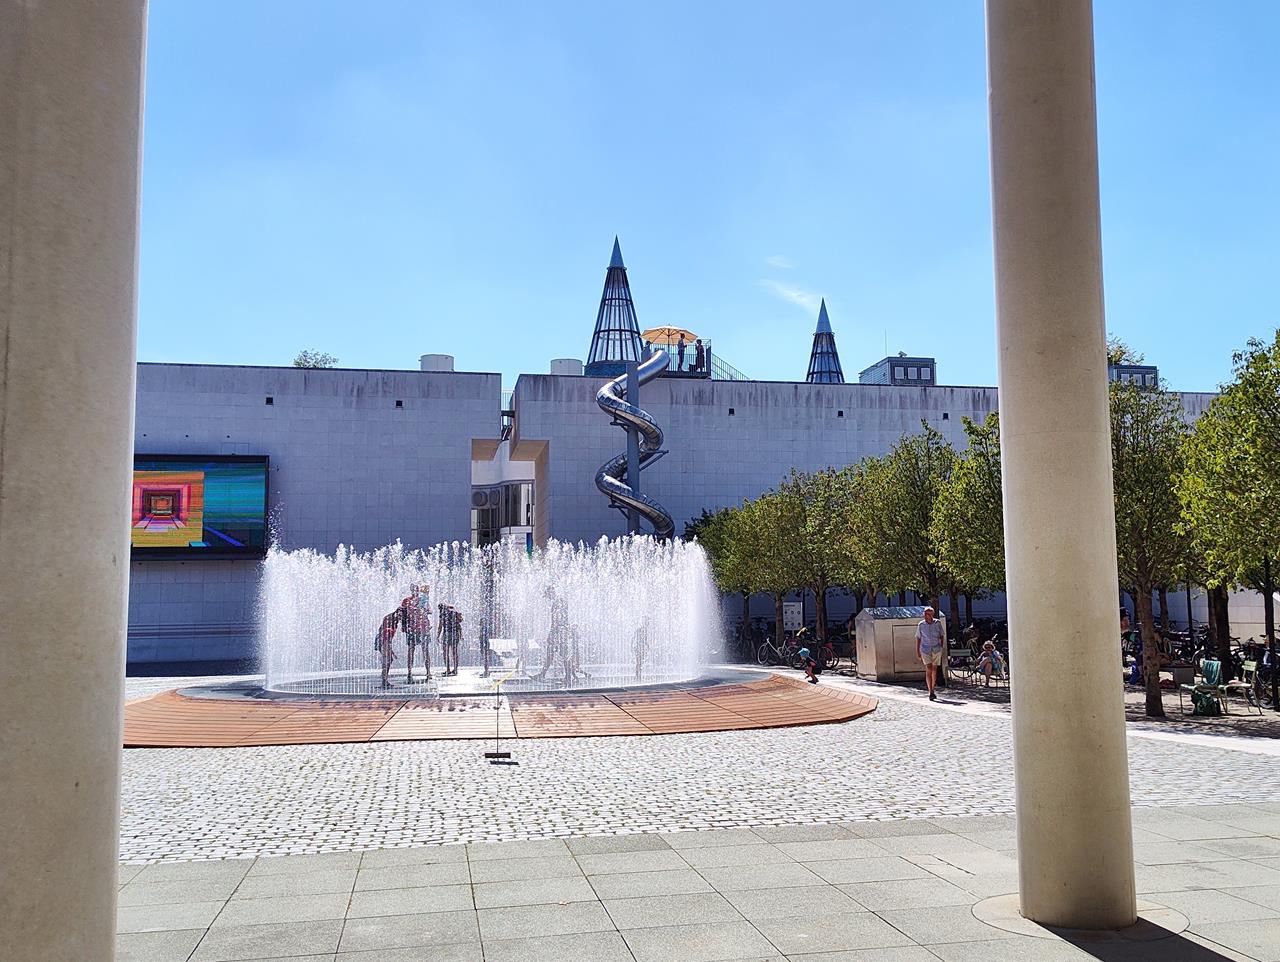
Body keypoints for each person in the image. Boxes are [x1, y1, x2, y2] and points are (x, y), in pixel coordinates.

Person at [535, 586, 575, 683]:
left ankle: (568, 677)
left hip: (559, 632)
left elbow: (557, 620)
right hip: (562, 631)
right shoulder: (560, 601)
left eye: (548, 595)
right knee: (553, 653)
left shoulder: (557, 602)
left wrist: (552, 633)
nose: (548, 598)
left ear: (551, 593)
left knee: (561, 654)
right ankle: (543, 674)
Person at [400, 584, 432, 684]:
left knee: (425, 650)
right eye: (414, 589)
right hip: (412, 629)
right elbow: (403, 615)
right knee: (411, 650)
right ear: (411, 590)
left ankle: (428, 672)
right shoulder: (406, 601)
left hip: (423, 628)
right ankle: (409, 672)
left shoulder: (423, 599)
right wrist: (404, 626)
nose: (415, 591)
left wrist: (423, 609)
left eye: (417, 590)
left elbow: (430, 611)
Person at [916, 606, 946, 701]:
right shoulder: (921, 624)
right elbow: (918, 638)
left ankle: (933, 687)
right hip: (925, 649)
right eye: (925, 614)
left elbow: (942, 635)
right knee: (928, 668)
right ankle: (930, 691)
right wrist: (918, 651)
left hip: (936, 648)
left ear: (932, 615)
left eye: (928, 614)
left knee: (934, 669)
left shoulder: (937, 623)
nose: (925, 615)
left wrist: (941, 647)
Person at [374, 607, 402, 689]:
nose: (400, 618)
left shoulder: (394, 621)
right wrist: (388, 649)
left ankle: (384, 679)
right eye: (400, 616)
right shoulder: (389, 621)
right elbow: (385, 635)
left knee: (388, 660)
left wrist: (391, 651)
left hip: (383, 641)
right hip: (383, 641)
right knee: (387, 660)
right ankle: (384, 681)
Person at [437, 602, 463, 676]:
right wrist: (461, 635)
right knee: (454, 652)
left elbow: (440, 626)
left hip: (447, 634)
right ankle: (455, 669)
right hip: (455, 634)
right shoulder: (454, 612)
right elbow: (459, 625)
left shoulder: (442, 614)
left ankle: (448, 669)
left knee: (445, 653)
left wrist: (438, 636)